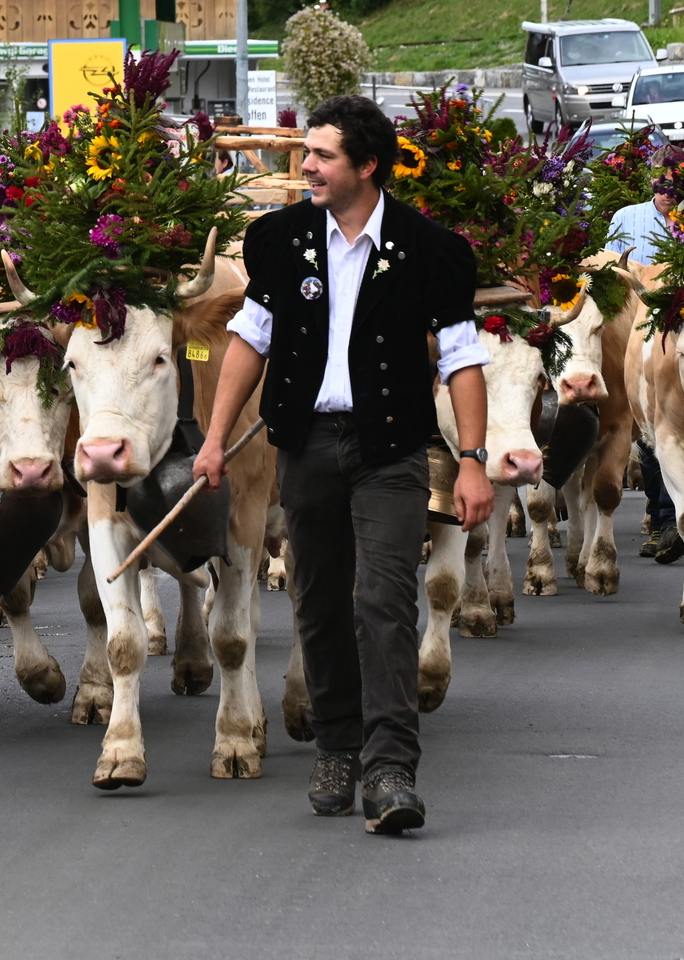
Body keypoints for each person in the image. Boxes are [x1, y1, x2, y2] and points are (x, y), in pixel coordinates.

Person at [193, 95, 493, 836]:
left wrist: (474, 461)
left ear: (367, 166)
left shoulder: (431, 249)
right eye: (307, 154)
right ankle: (336, 744)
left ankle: (390, 768)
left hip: (391, 450)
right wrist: (214, 437)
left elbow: (461, 359)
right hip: (306, 447)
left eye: (322, 156)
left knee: (382, 602)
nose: (307, 167)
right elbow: (248, 342)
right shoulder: (278, 239)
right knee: (318, 603)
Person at [607, 184, 683, 563]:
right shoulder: (626, 217)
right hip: (641, 329)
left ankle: (670, 520)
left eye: (677, 186)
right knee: (651, 430)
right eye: (662, 185)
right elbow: (610, 269)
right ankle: (658, 512)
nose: (669, 193)